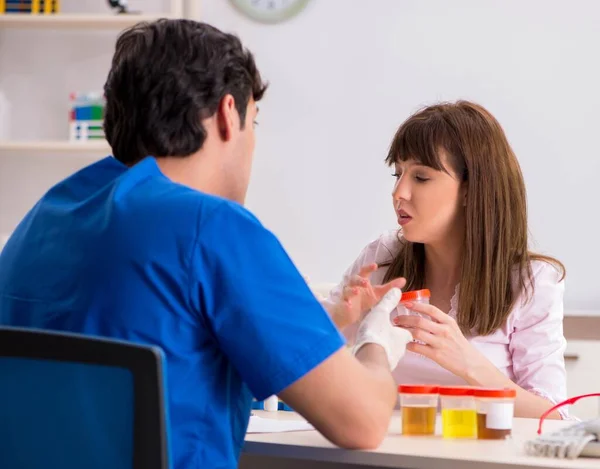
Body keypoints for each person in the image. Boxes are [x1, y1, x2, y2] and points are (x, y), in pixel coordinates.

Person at [0, 19, 413, 469]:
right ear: (226, 113)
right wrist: (377, 342)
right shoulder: (214, 228)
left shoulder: (48, 216)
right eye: (253, 123)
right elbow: (363, 421)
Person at [323, 100, 568, 419]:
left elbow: (554, 415)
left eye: (421, 178)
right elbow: (302, 359)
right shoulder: (381, 257)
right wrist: (339, 320)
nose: (399, 192)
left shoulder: (531, 282)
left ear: (470, 189)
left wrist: (469, 364)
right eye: (398, 174)